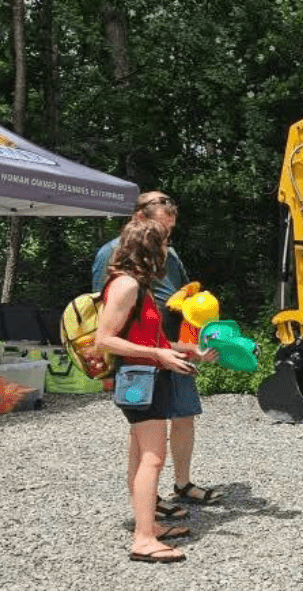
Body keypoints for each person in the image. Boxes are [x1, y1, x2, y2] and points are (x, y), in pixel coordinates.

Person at [92, 191, 222, 517]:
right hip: (142, 359)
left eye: (169, 232)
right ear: (139, 220)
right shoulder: (116, 262)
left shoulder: (166, 258)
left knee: (179, 418)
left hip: (167, 346)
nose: (165, 241)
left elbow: (181, 294)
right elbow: (102, 319)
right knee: (148, 445)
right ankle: (146, 520)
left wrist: (186, 343)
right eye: (161, 232)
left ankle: (173, 491)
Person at [94, 219, 202, 563]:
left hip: (147, 374)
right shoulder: (126, 285)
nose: (167, 254)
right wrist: (159, 355)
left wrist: (185, 349)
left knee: (143, 457)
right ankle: (143, 538)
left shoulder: (139, 286)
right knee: (153, 458)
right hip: (139, 378)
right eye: (163, 246)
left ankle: (149, 526)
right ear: (150, 250)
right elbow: (104, 339)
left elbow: (147, 338)